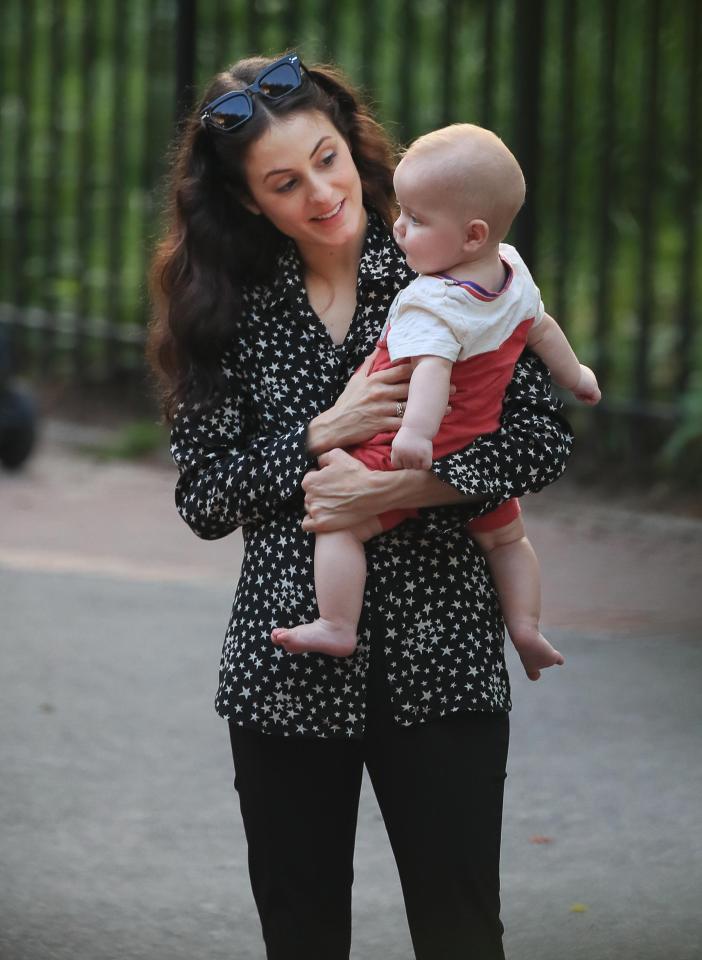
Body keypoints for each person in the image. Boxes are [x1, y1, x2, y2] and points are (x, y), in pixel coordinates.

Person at [148, 51, 574, 960]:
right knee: (301, 936)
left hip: (446, 656)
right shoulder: (223, 309)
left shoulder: (450, 261)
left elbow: (542, 436)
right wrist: (317, 430)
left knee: (462, 932)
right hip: (285, 666)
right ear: (248, 200)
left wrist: (401, 486)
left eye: (328, 158)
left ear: (356, 147)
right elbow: (204, 497)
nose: (319, 192)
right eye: (283, 181)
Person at [271, 122, 600, 681]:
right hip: (479, 442)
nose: (397, 228)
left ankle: (336, 624)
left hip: (415, 443)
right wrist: (580, 376)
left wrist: (415, 437)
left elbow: (431, 374)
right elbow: (543, 330)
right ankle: (525, 625)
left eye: (415, 220)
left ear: (472, 235)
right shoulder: (513, 274)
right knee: (508, 538)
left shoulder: (430, 301)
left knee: (339, 525)